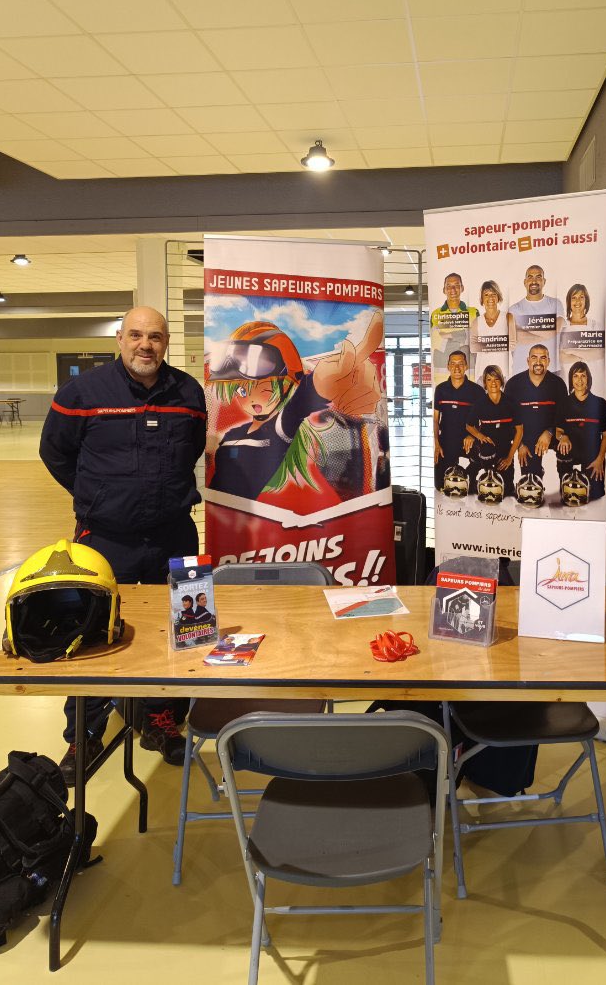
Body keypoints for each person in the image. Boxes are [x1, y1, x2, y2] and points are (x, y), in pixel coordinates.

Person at [40, 306, 206, 782]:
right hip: (104, 538)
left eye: (155, 336)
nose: (145, 345)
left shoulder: (188, 393)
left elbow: (192, 449)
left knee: (181, 627)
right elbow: (55, 453)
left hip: (175, 533)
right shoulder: (83, 393)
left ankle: (160, 717)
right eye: (136, 335)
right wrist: (98, 496)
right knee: (88, 631)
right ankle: (84, 734)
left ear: (167, 341)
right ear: (120, 339)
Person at [208, 313, 384, 503]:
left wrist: (322, 381)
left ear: (288, 384)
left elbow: (299, 404)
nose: (251, 398)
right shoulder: (233, 434)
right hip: (228, 521)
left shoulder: (281, 427)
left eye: (265, 388)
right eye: (242, 391)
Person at [505, 344, 569, 484]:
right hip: (525, 437)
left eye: (543, 358)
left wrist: (550, 432)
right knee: (531, 480)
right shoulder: (513, 384)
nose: (538, 362)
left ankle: (566, 482)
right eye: (534, 357)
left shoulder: (558, 384)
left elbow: (564, 416)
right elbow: (507, 419)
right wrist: (520, 444)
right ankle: (534, 474)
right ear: (528, 361)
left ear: (548, 361)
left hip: (552, 433)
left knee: (567, 446)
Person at [463, 365, 523, 498]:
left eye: (496, 379)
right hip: (486, 447)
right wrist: (479, 436)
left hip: (505, 448)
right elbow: (469, 425)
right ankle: (477, 471)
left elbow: (519, 431)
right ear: (485, 383)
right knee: (492, 481)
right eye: (489, 379)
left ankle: (494, 472)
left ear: (501, 381)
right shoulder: (480, 403)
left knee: (506, 490)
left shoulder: (511, 402)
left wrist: (509, 458)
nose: (493, 383)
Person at [556, 362, 606, 502]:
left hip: (592, 455)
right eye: (575, 376)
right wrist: (563, 437)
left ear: (588, 379)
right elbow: (558, 431)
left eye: (583, 376)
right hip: (570, 451)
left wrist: (600, 460)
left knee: (594, 497)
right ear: (571, 379)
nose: (579, 380)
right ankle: (565, 477)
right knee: (569, 496)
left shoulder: (600, 404)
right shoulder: (563, 403)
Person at [433, 351, 485, 492]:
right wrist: (437, 443)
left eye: (460, 364)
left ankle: (469, 477)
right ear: (448, 366)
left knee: (486, 458)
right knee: (440, 485)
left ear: (466, 366)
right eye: (453, 364)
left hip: (469, 441)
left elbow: (485, 420)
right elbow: (436, 420)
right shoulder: (440, 389)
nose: (457, 368)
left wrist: (473, 435)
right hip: (447, 440)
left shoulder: (477, 391)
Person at [509, 265, 565, 373]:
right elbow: (516, 339)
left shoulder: (555, 304)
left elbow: (556, 329)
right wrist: (546, 331)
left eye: (538, 277)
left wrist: (523, 327)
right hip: (521, 370)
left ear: (544, 281)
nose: (534, 281)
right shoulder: (514, 309)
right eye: (530, 277)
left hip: (551, 370)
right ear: (525, 282)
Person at [430, 272, 477, 376]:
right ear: (444, 290)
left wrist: (448, 335)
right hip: (441, 364)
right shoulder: (436, 314)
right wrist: (462, 338)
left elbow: (474, 339)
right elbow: (435, 341)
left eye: (456, 285)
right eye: (449, 286)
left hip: (468, 365)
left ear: (462, 288)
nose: (453, 290)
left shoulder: (473, 312)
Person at [468, 280, 515, 379]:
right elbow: (473, 347)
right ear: (482, 299)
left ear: (498, 297)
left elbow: (512, 345)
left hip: (504, 373)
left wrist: (484, 343)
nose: (490, 298)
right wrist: (501, 342)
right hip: (482, 373)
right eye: (486, 295)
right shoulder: (476, 321)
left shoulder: (508, 317)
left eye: (493, 294)